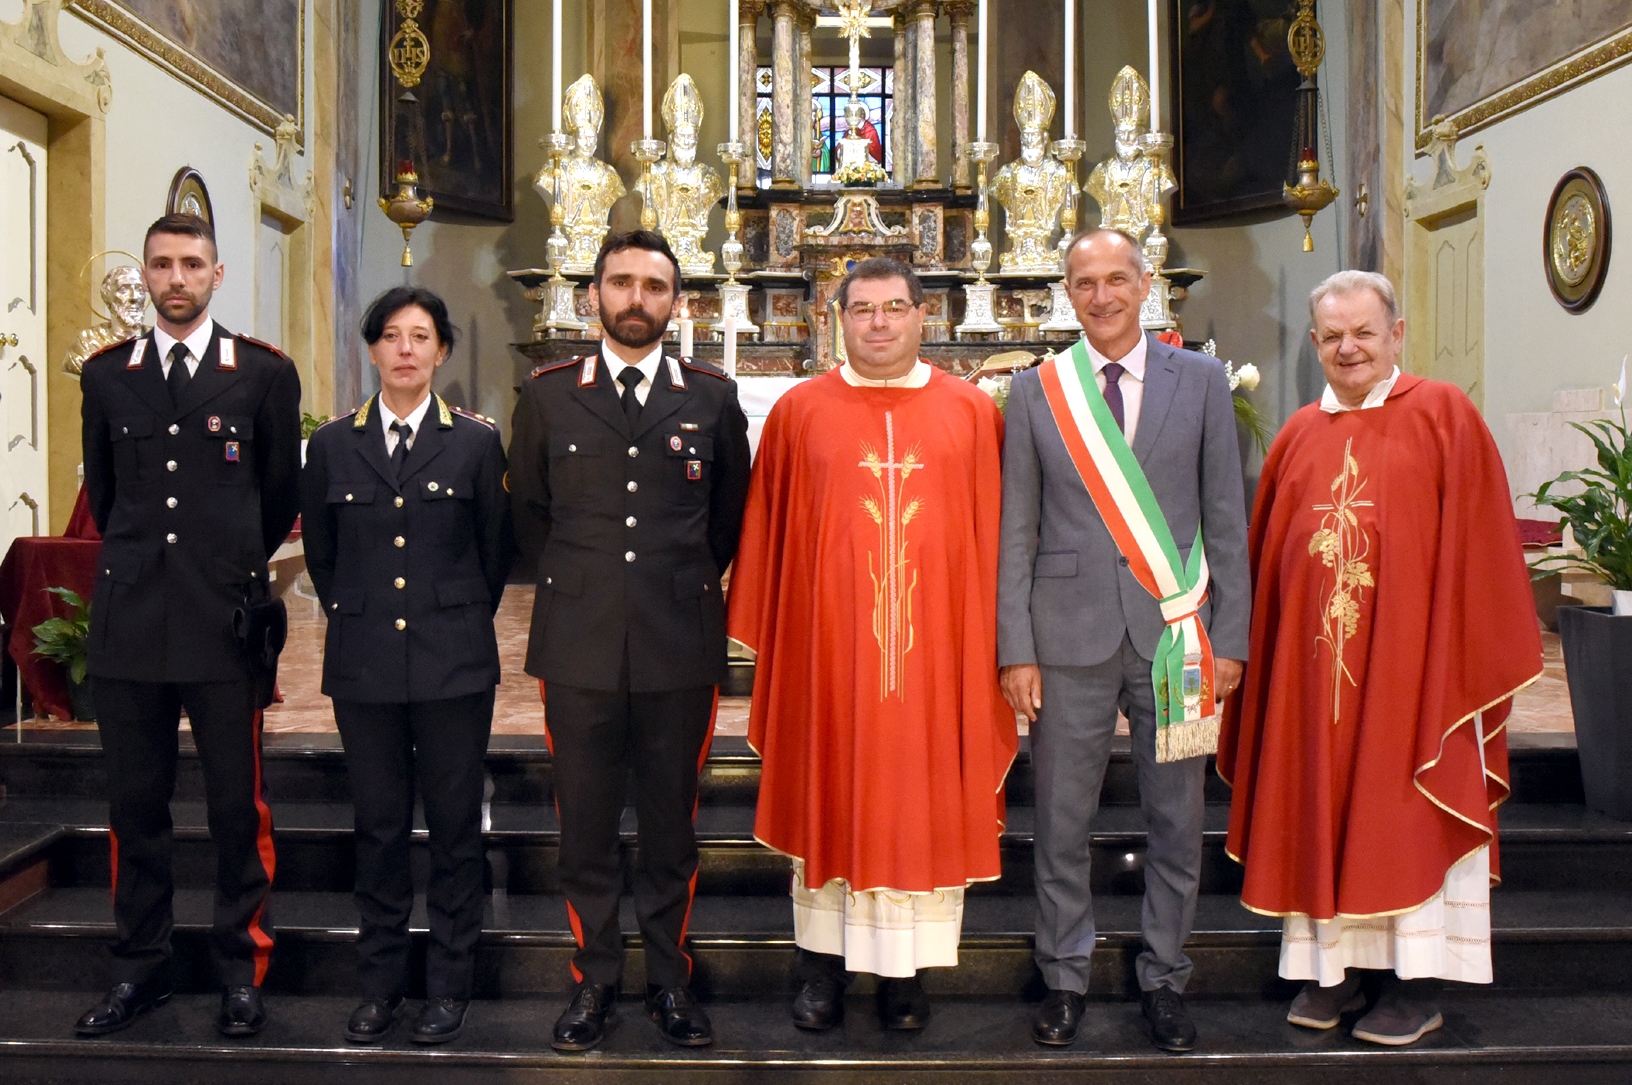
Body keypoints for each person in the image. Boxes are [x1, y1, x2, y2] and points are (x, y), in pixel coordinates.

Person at [1217, 271, 1544, 1045]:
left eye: (1363, 332)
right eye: (1331, 336)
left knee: (1401, 810)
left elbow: (1482, 550)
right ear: (1315, 344)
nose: (1348, 348)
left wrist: (1446, 657)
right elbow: (1271, 565)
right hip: (1314, 677)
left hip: (1413, 674)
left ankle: (1415, 981)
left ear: (1396, 334)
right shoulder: (1298, 433)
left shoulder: (1443, 415)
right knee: (1323, 803)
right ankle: (1338, 973)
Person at [728, 257, 1017, 1034]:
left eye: (895, 307)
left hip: (936, 659)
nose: (880, 323)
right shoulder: (799, 413)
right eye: (863, 309)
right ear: (838, 318)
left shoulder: (970, 413)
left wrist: (1001, 647)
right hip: (830, 659)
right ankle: (818, 965)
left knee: (919, 800)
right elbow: (769, 536)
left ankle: (907, 974)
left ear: (926, 317)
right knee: (830, 787)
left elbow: (996, 541)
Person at [997, 227, 1251, 1053]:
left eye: (1116, 279)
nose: (1101, 296)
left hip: (1178, 636)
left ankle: (1165, 976)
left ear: (1146, 285)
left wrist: (1231, 636)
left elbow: (1226, 517)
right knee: (1061, 819)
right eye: (1083, 283)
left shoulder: (1204, 379)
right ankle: (1065, 972)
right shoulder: (1039, 391)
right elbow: (1018, 530)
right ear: (1065, 293)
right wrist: (1015, 647)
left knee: (1177, 817)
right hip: (1065, 638)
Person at [508, 230, 752, 1052]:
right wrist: (592, 588)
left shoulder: (713, 398)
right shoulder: (546, 396)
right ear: (593, 297)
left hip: (677, 640)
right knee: (582, 823)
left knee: (670, 824)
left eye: (654, 285)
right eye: (622, 283)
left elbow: (727, 520)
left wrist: (664, 585)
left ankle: (671, 980)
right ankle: (596, 978)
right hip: (577, 641)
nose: (637, 298)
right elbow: (530, 515)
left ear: (677, 302)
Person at [74, 213, 301, 1037]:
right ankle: (141, 966)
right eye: (163, 265)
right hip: (131, 623)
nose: (176, 278)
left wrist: (222, 561)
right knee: (136, 806)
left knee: (236, 807)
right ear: (146, 274)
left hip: (224, 621)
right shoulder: (107, 375)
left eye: (191, 264)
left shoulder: (262, 376)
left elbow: (278, 497)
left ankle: (241, 967)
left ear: (218, 274)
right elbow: (104, 494)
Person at [300, 287, 513, 1045]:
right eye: (390, 335)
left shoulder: (477, 444)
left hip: (454, 663)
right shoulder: (330, 444)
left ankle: (449, 986)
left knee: (456, 830)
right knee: (380, 828)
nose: (405, 349)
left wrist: (448, 621)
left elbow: (495, 555)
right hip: (365, 665)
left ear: (441, 351)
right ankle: (381, 984)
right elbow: (325, 560)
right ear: (371, 348)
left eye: (420, 336)